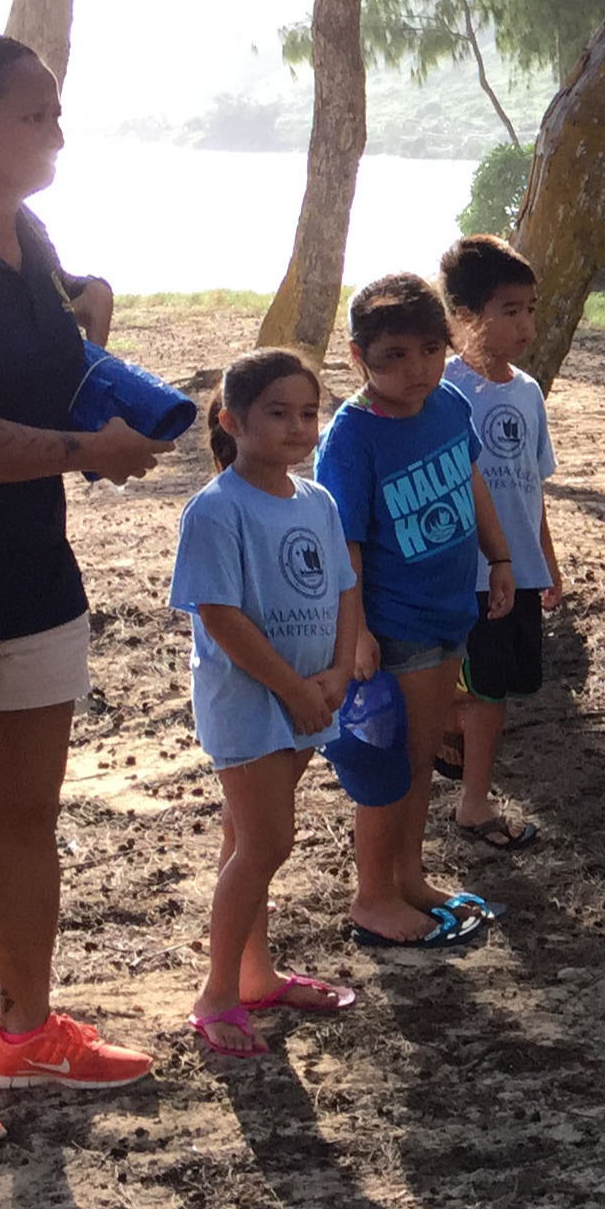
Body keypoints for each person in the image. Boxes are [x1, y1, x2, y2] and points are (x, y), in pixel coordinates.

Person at [0, 34, 202, 1113]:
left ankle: (26, 1033)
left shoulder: (27, 230)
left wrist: (93, 345)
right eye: (34, 113)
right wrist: (83, 450)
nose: (57, 131)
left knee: (25, 812)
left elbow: (58, 356)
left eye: (58, 112)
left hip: (32, 574)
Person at [169, 346, 380, 1059]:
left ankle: (255, 974)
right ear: (233, 421)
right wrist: (292, 688)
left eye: (309, 412)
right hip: (251, 702)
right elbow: (220, 616)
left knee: (245, 839)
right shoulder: (218, 509)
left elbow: (347, 586)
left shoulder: (316, 500)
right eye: (278, 413)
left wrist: (337, 671)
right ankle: (217, 995)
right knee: (267, 843)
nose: (298, 427)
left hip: (309, 697)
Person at [311, 277, 500, 948]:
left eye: (429, 349)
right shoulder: (353, 437)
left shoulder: (446, 402)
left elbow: (471, 477)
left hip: (451, 609)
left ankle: (410, 876)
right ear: (358, 357)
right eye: (393, 356)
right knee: (399, 761)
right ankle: (377, 894)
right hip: (396, 622)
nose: (415, 368)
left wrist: (499, 558)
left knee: (423, 757)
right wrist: (355, 630)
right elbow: (345, 542)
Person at [430, 238, 567, 770]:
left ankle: (452, 705)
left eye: (530, 309)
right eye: (509, 311)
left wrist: (547, 561)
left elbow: (533, 486)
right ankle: (449, 727)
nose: (525, 325)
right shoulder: (444, 389)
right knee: (486, 683)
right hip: (473, 571)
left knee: (518, 680)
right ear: (464, 316)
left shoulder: (529, 391)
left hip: (522, 569)